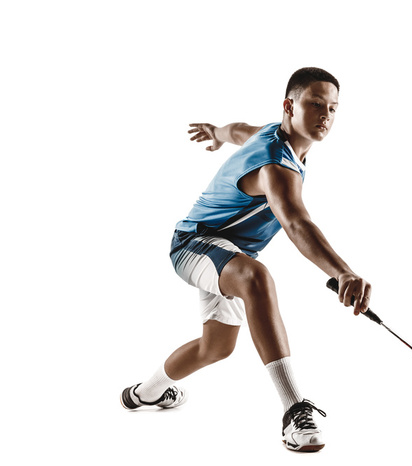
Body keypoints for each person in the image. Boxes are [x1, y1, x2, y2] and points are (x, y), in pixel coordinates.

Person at [120, 67, 372, 452]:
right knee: (256, 277)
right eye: (316, 104)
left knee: (216, 348)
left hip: (227, 254)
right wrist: (343, 272)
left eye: (334, 108)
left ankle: (144, 394)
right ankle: (294, 409)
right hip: (195, 243)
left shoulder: (272, 135)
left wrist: (217, 132)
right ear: (290, 105)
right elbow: (296, 222)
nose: (326, 116)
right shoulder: (275, 165)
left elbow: (239, 131)